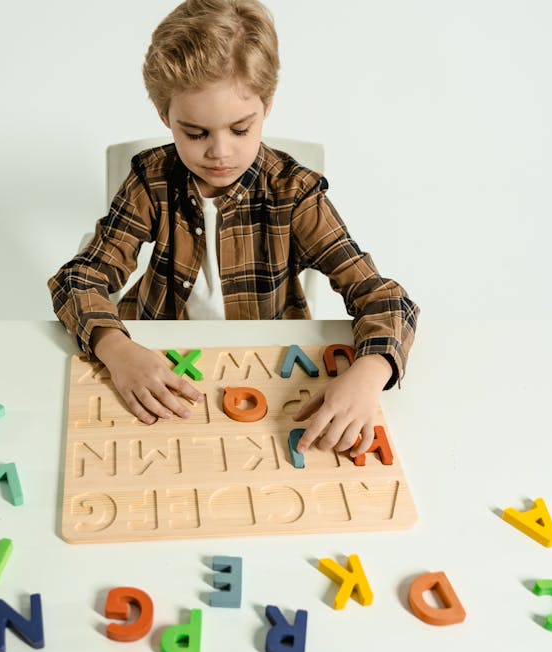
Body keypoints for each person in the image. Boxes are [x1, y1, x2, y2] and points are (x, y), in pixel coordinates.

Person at [48, 0, 419, 460]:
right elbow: (78, 280)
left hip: (264, 367)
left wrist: (369, 373)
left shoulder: (294, 193)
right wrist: (118, 349)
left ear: (267, 107)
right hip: (157, 356)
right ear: (166, 118)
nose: (219, 152)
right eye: (196, 133)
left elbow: (384, 298)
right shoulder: (151, 179)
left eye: (241, 129)